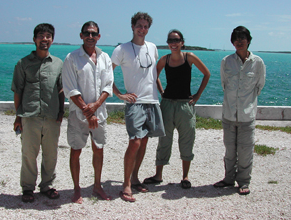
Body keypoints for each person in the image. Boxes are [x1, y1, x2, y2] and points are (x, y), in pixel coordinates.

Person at [143, 29, 210, 189]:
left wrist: (197, 96)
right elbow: (154, 76)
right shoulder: (164, 60)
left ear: (182, 42)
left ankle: (185, 176)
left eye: (176, 40)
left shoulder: (190, 57)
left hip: (185, 105)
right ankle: (158, 175)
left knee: (187, 139)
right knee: (164, 140)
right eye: (170, 40)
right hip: (167, 104)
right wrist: (161, 92)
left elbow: (206, 74)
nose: (173, 43)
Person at [111, 12, 165, 202]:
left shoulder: (152, 47)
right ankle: (125, 184)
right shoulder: (122, 49)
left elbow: (153, 75)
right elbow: (106, 75)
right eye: (139, 26)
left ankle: (135, 178)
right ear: (132, 26)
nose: (142, 29)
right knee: (134, 141)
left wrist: (161, 92)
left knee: (144, 142)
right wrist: (119, 94)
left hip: (152, 101)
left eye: (145, 26)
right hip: (135, 103)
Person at [11, 23, 64, 203]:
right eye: (41, 35)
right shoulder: (23, 64)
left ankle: (47, 185)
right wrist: (18, 117)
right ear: (34, 39)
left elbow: (61, 90)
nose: (44, 39)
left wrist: (61, 113)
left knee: (51, 154)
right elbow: (18, 91)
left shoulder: (58, 64)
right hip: (29, 116)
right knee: (29, 154)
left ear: (52, 40)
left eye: (48, 36)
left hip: (51, 117)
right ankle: (27, 188)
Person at [62, 21, 114, 204]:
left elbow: (108, 85)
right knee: (76, 150)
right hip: (79, 115)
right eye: (87, 33)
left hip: (99, 114)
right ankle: (76, 189)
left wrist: (96, 106)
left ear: (99, 36)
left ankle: (97, 185)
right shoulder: (72, 58)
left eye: (93, 34)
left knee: (98, 149)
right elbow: (70, 88)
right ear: (81, 35)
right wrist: (88, 112)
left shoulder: (105, 58)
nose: (90, 37)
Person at [213, 26, 266, 195]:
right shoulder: (226, 61)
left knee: (245, 151)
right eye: (236, 38)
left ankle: (243, 182)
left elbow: (259, 86)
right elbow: (224, 84)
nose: (239, 41)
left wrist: (246, 103)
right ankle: (228, 179)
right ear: (232, 42)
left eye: (243, 38)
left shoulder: (257, 63)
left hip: (247, 115)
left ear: (248, 40)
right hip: (229, 114)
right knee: (229, 151)